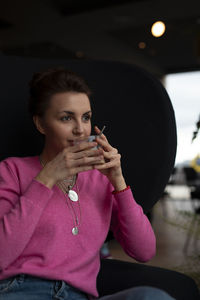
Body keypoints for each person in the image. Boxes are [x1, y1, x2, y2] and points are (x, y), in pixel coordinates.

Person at [0, 68, 175, 300]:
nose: (80, 129)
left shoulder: (99, 181)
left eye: (86, 117)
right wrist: (47, 177)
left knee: (153, 297)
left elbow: (144, 251)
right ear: (41, 124)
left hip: (80, 296)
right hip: (21, 292)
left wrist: (118, 182)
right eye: (66, 118)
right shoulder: (12, 171)